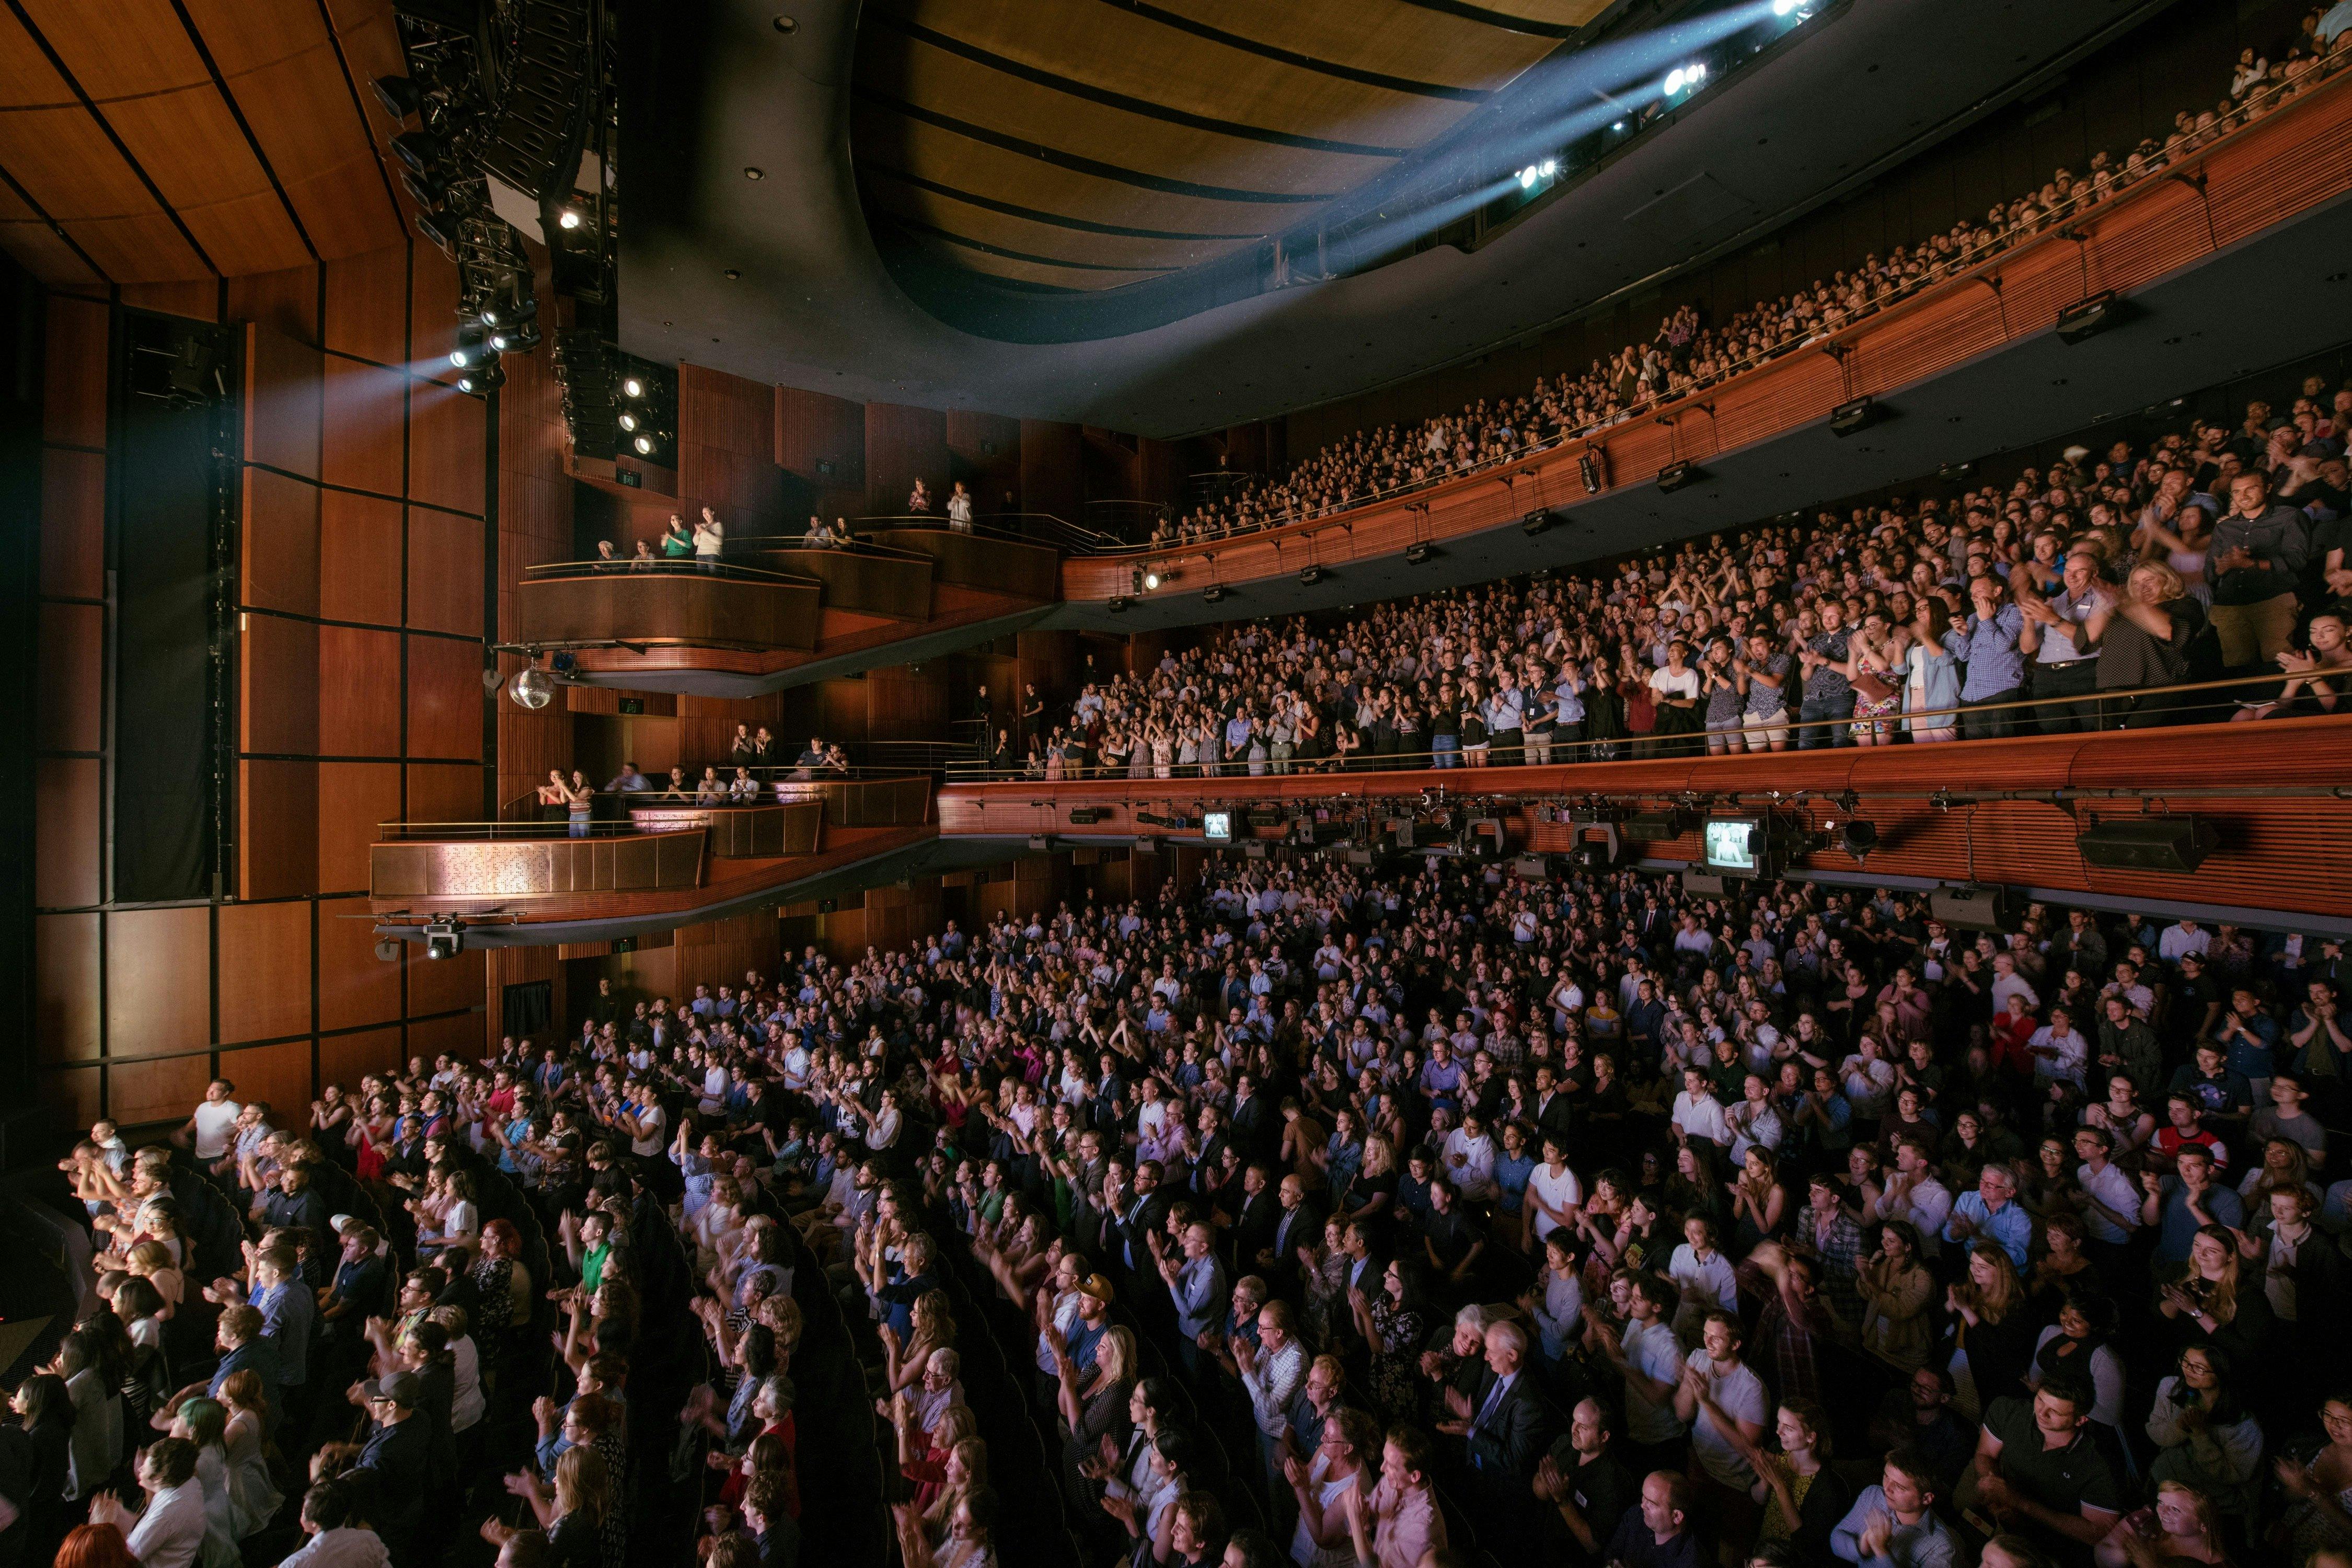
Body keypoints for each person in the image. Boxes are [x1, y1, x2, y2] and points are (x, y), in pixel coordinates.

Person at [1831, 1448, 1959, 1568]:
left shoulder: (1941, 1546)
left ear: (1926, 1499)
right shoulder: (1874, 1494)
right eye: (1886, 1476)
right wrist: (1862, 1548)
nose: (1887, 1488)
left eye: (1899, 1487)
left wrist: (1882, 1551)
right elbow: (1836, 1538)